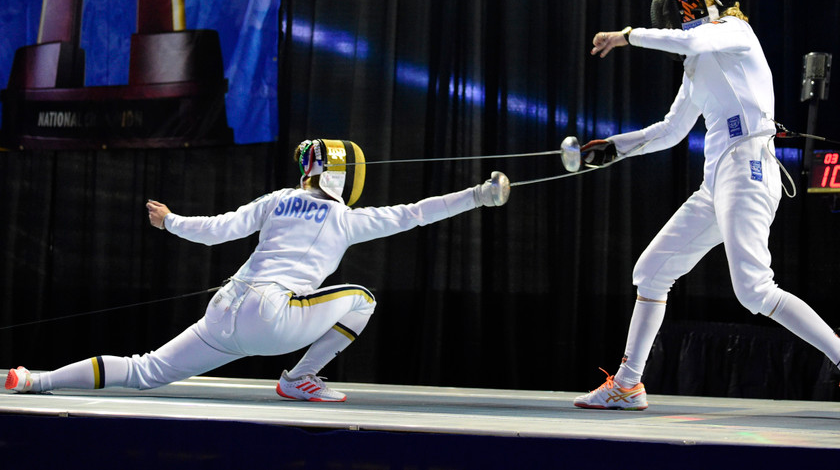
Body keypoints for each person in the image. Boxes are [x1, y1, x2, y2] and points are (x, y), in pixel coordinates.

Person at [573, 0, 840, 418]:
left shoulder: (735, 33)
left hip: (749, 169)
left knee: (754, 289)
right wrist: (614, 148)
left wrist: (626, 36)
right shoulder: (697, 64)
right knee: (652, 271)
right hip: (716, 182)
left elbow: (696, 36)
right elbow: (670, 130)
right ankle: (627, 384)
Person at [6, 138, 510, 402]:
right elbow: (417, 212)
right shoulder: (346, 218)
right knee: (363, 300)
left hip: (223, 312)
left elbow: (217, 229)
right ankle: (300, 376)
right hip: (274, 318)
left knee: (144, 371)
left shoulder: (275, 201)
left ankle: (33, 381)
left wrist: (170, 221)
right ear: (341, 177)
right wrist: (480, 195)